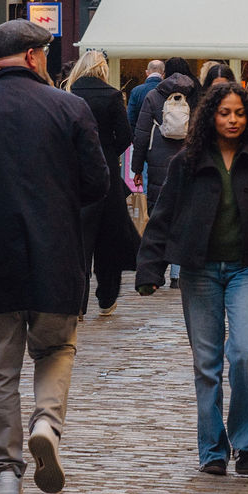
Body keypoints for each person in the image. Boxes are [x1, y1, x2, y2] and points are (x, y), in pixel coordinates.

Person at [0, 21, 111, 494]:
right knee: (56, 350)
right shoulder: (69, 107)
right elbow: (98, 183)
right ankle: (46, 421)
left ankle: (6, 472)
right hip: (56, 254)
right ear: (32, 56)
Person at [135, 81, 248, 476]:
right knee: (207, 364)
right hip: (199, 271)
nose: (233, 120)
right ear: (211, 116)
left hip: (247, 268)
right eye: (225, 113)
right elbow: (163, 216)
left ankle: (246, 442)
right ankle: (212, 451)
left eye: (239, 113)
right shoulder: (186, 162)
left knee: (246, 351)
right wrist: (150, 269)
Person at [65, 49, 136, 316]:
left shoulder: (68, 94)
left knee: (78, 240)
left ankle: (78, 301)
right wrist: (108, 151)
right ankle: (107, 297)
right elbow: (125, 135)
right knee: (109, 238)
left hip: (75, 172)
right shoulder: (112, 95)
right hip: (106, 172)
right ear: (102, 68)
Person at [131, 57, 199, 193]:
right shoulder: (196, 94)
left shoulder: (153, 96)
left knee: (157, 199)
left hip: (158, 160)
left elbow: (142, 135)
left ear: (165, 74)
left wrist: (137, 168)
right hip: (189, 157)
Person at [126, 60, 166, 136]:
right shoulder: (167, 90)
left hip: (141, 136)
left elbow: (130, 118)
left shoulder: (136, 91)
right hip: (164, 136)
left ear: (147, 72)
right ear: (163, 74)